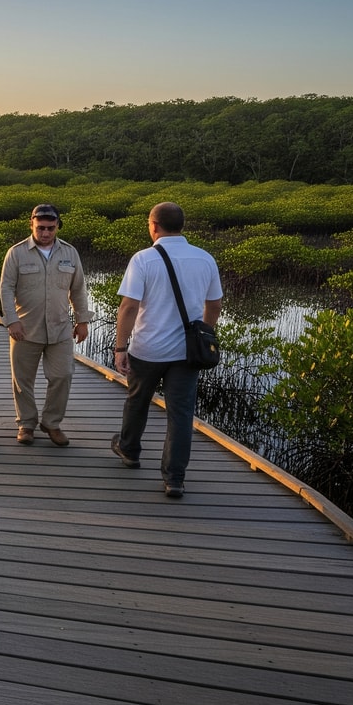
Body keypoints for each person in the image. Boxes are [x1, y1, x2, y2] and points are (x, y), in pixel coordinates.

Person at [112, 202, 224, 499]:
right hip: (187, 354)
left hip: (148, 349)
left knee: (137, 401)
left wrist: (120, 346)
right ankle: (174, 478)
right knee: (181, 414)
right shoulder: (205, 259)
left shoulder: (143, 259)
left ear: (153, 226)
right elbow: (214, 305)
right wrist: (205, 332)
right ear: (182, 225)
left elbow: (129, 306)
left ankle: (130, 451)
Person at [1, 204, 94, 447]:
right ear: (31, 225)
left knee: (62, 375)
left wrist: (82, 321)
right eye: (40, 227)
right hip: (25, 328)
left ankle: (51, 422)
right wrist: (11, 321)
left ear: (57, 227)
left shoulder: (70, 253)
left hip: (60, 328)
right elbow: (6, 288)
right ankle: (26, 424)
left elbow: (78, 289)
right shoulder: (16, 253)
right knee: (23, 380)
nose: (45, 232)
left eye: (50, 228)